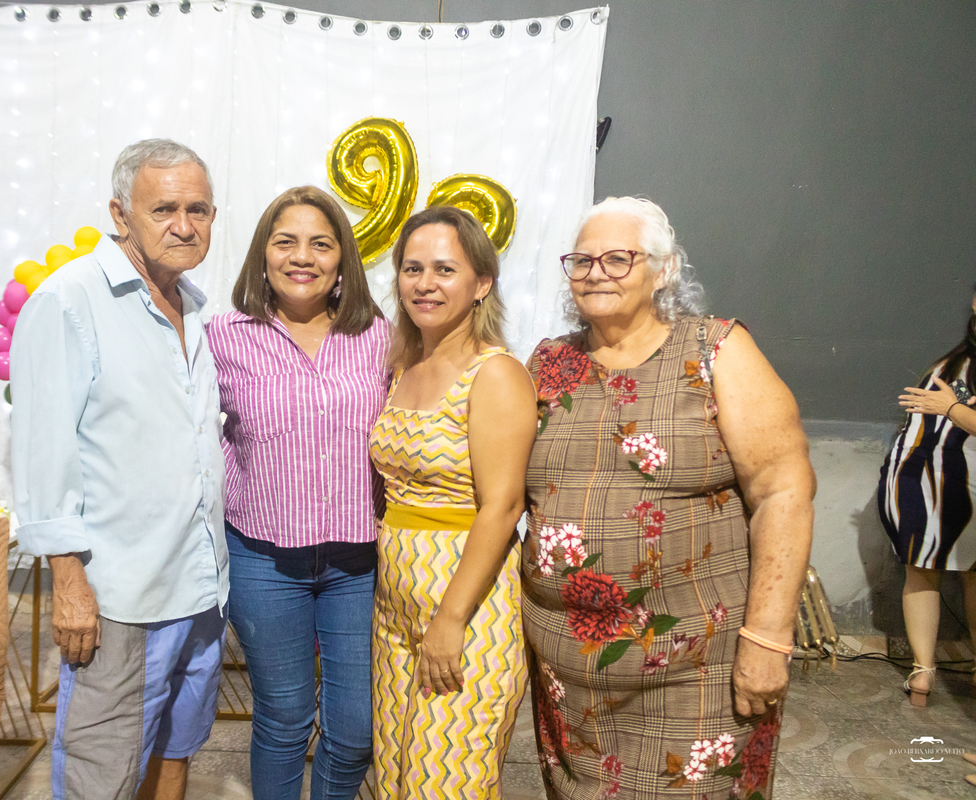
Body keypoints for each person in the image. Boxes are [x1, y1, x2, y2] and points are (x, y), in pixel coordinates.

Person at [523, 196, 814, 799]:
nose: (596, 273)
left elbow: (782, 491)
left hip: (694, 669)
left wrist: (768, 639)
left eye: (618, 259)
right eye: (582, 261)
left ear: (665, 269)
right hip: (568, 677)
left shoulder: (716, 351)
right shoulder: (549, 363)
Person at [11, 139, 228, 800]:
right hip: (121, 598)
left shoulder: (195, 304)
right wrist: (69, 581)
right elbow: (43, 451)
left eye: (198, 209)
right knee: (100, 775)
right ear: (119, 213)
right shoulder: (70, 299)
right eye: (163, 209)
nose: (184, 226)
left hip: (201, 587)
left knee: (175, 750)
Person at [206, 186, 389, 799]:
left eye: (320, 243)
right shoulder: (222, 336)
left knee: (356, 731)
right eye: (286, 241)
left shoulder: (380, 336)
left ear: (343, 260)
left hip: (357, 563)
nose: (302, 256)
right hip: (262, 559)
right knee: (284, 719)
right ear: (263, 253)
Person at [368, 206, 536, 797]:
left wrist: (450, 618)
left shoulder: (495, 373)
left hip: (466, 604)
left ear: (481, 283)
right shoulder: (405, 365)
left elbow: (504, 506)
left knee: (446, 781)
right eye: (412, 268)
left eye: (445, 269)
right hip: (395, 603)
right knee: (394, 777)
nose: (425, 283)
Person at [880, 288, 976, 706]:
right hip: (941, 477)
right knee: (965, 573)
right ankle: (929, 672)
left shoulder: (949, 364)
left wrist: (951, 408)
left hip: (915, 473)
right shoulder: (955, 364)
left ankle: (923, 673)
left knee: (923, 571)